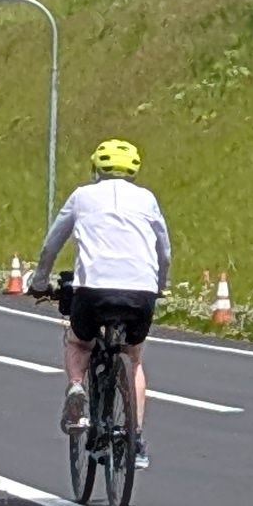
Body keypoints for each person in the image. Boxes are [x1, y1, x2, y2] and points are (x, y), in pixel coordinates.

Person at [40, 137, 174, 456]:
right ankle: (136, 437)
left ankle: (75, 386)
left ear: (96, 168)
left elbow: (52, 244)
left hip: (93, 290)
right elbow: (164, 249)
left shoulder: (82, 196)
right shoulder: (147, 199)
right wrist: (162, 283)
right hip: (140, 291)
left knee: (78, 341)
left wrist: (40, 280)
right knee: (134, 356)